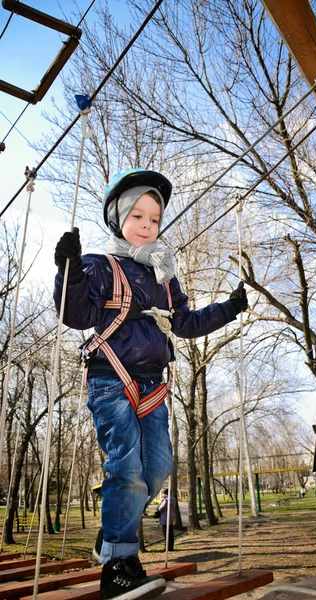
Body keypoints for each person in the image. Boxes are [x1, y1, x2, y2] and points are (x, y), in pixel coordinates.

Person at [53, 169, 248, 600]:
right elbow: (76, 314)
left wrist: (229, 309)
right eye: (137, 215)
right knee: (127, 467)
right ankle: (120, 566)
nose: (146, 224)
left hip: (152, 385)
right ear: (118, 217)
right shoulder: (99, 267)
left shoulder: (163, 276)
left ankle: (111, 532)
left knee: (156, 470)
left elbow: (185, 323)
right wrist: (67, 270)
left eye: (154, 219)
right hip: (111, 378)